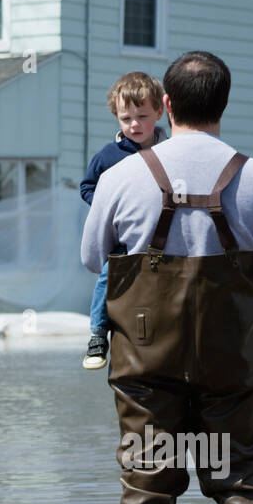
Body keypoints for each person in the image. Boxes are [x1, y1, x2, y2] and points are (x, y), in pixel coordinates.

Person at [81, 51, 253, 504]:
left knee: (147, 478)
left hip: (144, 355)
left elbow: (95, 260)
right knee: (239, 475)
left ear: (166, 104)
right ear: (223, 104)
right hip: (230, 356)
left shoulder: (119, 177)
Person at [79, 73, 169, 370]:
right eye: (125, 118)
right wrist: (109, 207)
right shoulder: (108, 156)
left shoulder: (170, 151)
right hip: (124, 240)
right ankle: (97, 335)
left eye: (142, 116)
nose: (134, 125)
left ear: (160, 111)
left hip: (165, 239)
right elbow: (87, 187)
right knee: (107, 274)